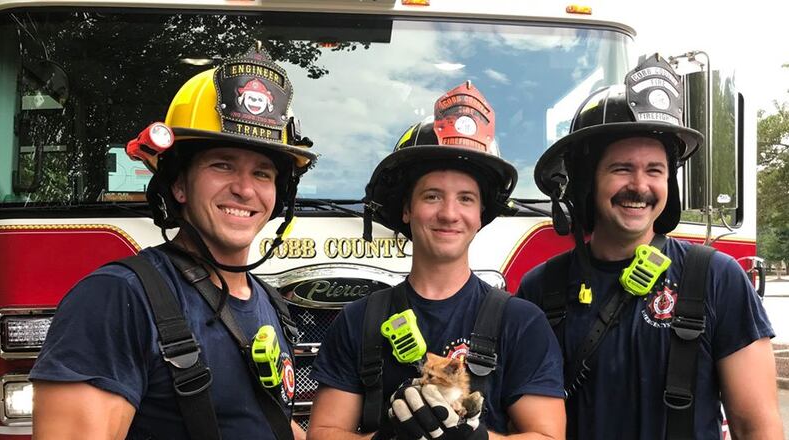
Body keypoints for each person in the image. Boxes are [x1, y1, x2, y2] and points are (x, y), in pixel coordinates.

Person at [30, 46, 317, 440]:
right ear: (179, 184)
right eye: (223, 165)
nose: (245, 189)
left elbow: (259, 424)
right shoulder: (116, 299)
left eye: (263, 173)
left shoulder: (269, 303)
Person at [517, 53, 783, 439]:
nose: (640, 186)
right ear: (587, 182)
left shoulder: (715, 279)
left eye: (654, 170)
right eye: (622, 168)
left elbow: (757, 427)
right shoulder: (540, 289)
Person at [307, 81, 565, 440]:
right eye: (432, 196)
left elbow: (548, 435)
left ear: (480, 215)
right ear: (407, 209)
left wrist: (476, 438)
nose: (449, 213)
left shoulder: (521, 322)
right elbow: (323, 433)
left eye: (466, 199)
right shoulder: (358, 321)